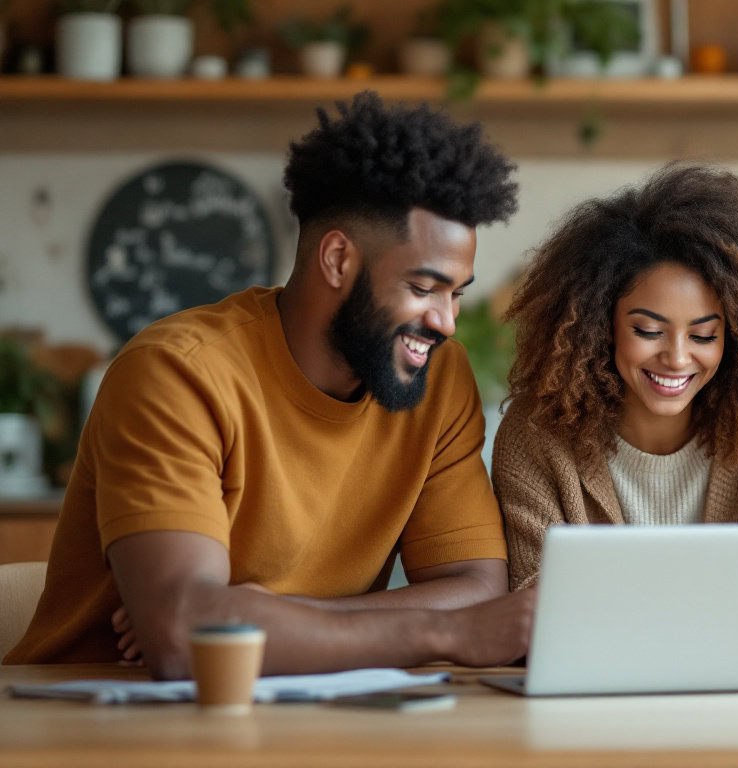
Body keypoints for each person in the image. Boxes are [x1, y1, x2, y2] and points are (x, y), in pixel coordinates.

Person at [4, 93, 536, 677]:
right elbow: (184, 640)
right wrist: (444, 630)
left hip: (309, 717)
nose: (446, 321)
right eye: (424, 287)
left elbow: (478, 589)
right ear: (338, 260)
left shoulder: (438, 380)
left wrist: (263, 613)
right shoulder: (178, 371)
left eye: (456, 293)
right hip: (102, 721)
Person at [492, 164, 738, 650]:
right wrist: (727, 628)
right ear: (600, 324)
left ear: (737, 335)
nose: (678, 357)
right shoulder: (537, 433)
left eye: (704, 335)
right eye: (648, 331)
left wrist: (681, 638)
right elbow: (528, 611)